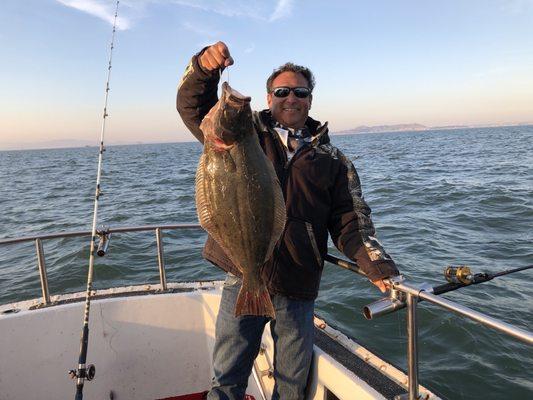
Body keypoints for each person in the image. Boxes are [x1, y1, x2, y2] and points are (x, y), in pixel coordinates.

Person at [177, 41, 399, 400]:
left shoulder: (333, 159)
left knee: (292, 389)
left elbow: (350, 222)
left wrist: (375, 264)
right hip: (244, 275)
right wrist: (204, 67)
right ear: (269, 98)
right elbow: (192, 106)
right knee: (227, 379)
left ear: (310, 100)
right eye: (282, 91)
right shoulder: (239, 135)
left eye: (300, 92)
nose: (291, 98)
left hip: (298, 284)